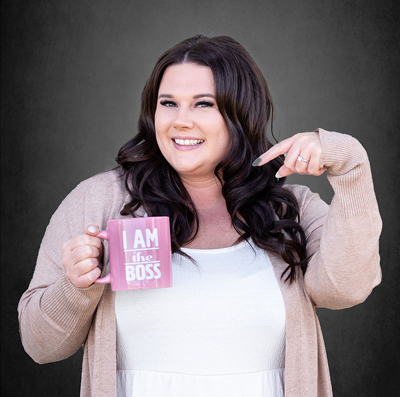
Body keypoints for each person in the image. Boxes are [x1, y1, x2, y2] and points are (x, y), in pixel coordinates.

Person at [18, 35, 382, 397]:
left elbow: (344, 289)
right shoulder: (98, 200)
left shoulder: (289, 207)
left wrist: (350, 165)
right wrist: (76, 288)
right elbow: (41, 345)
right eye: (169, 103)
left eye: (203, 104)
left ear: (240, 112)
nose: (181, 121)